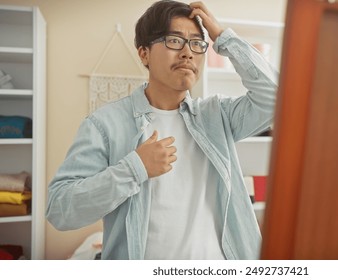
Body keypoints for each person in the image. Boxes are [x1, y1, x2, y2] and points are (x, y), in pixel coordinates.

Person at [46, 0, 278, 260]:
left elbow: (275, 97)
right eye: (175, 41)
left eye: (196, 43)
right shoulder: (104, 125)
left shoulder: (217, 116)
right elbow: (59, 210)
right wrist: (134, 169)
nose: (188, 53)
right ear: (144, 53)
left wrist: (223, 38)